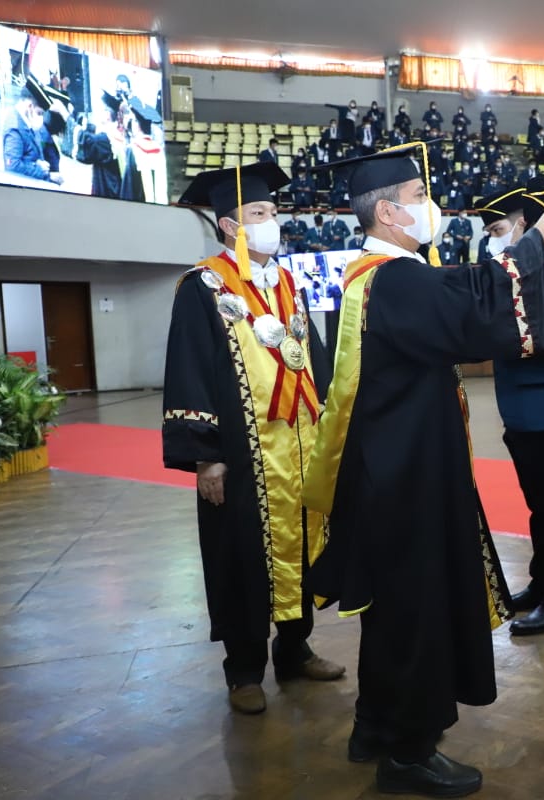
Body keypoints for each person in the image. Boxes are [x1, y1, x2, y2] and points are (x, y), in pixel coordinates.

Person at [300, 143, 544, 798]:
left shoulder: (381, 276)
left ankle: (375, 727)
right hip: (407, 479)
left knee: (390, 611)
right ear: (387, 212)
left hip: (393, 469)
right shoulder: (394, 279)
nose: (430, 207)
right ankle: (409, 753)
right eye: (418, 197)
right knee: (416, 611)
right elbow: (475, 309)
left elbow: (467, 294)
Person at [164, 162, 345, 715]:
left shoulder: (286, 283)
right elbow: (189, 369)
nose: (273, 221)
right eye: (259, 213)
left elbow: (310, 358)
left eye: (273, 211)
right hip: (243, 453)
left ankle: (294, 650)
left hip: (299, 447)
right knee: (241, 554)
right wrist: (206, 457)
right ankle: (244, 670)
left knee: (302, 546)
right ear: (229, 226)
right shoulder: (202, 286)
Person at [476, 183, 544, 636]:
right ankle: (543, 584)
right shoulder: (526, 273)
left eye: (499, 230)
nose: (493, 241)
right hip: (521, 407)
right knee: (540, 507)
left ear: (525, 227)